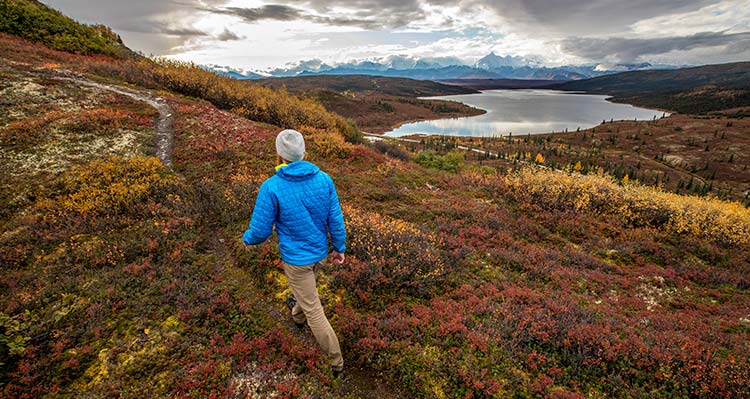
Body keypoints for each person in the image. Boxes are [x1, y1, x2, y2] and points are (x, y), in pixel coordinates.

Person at [243, 129, 346, 377]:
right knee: (306, 294)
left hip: (297, 260)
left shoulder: (272, 187)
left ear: (279, 155)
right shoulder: (324, 179)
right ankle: (296, 317)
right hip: (320, 255)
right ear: (303, 152)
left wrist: (247, 240)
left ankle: (337, 363)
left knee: (315, 311)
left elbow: (259, 230)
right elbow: (336, 219)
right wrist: (339, 248)